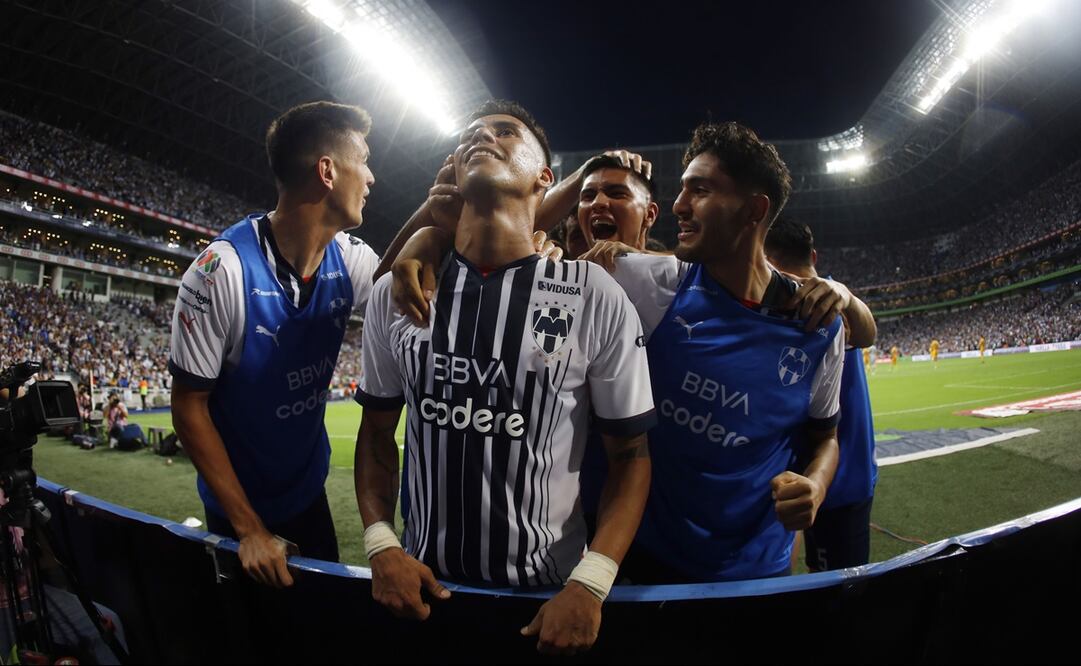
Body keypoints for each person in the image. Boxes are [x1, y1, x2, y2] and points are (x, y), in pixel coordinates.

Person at [356, 100, 655, 656]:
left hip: (546, 601)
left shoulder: (593, 295)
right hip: (425, 592)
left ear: (544, 177)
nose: (482, 137)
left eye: (504, 132)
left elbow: (631, 458)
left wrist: (590, 582)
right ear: (452, 173)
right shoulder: (397, 294)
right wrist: (381, 544)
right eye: (470, 135)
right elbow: (375, 436)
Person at [580, 121, 846, 582]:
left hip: (758, 572)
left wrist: (816, 485)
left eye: (700, 190)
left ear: (754, 210)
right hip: (649, 562)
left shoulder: (819, 325)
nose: (679, 206)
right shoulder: (653, 284)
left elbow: (825, 437)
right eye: (683, 190)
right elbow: (526, 267)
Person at [169, 101, 384, 587]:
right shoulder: (219, 272)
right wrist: (250, 530)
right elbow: (188, 406)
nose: (371, 178)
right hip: (237, 508)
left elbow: (409, 298)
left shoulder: (351, 259)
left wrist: (431, 224)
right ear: (327, 171)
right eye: (364, 161)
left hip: (307, 492)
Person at [765, 217, 878, 571]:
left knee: (834, 584)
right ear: (813, 255)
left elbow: (866, 333)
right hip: (829, 469)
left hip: (837, 478)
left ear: (764, 259)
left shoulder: (823, 302)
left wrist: (844, 294)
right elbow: (868, 333)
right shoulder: (834, 296)